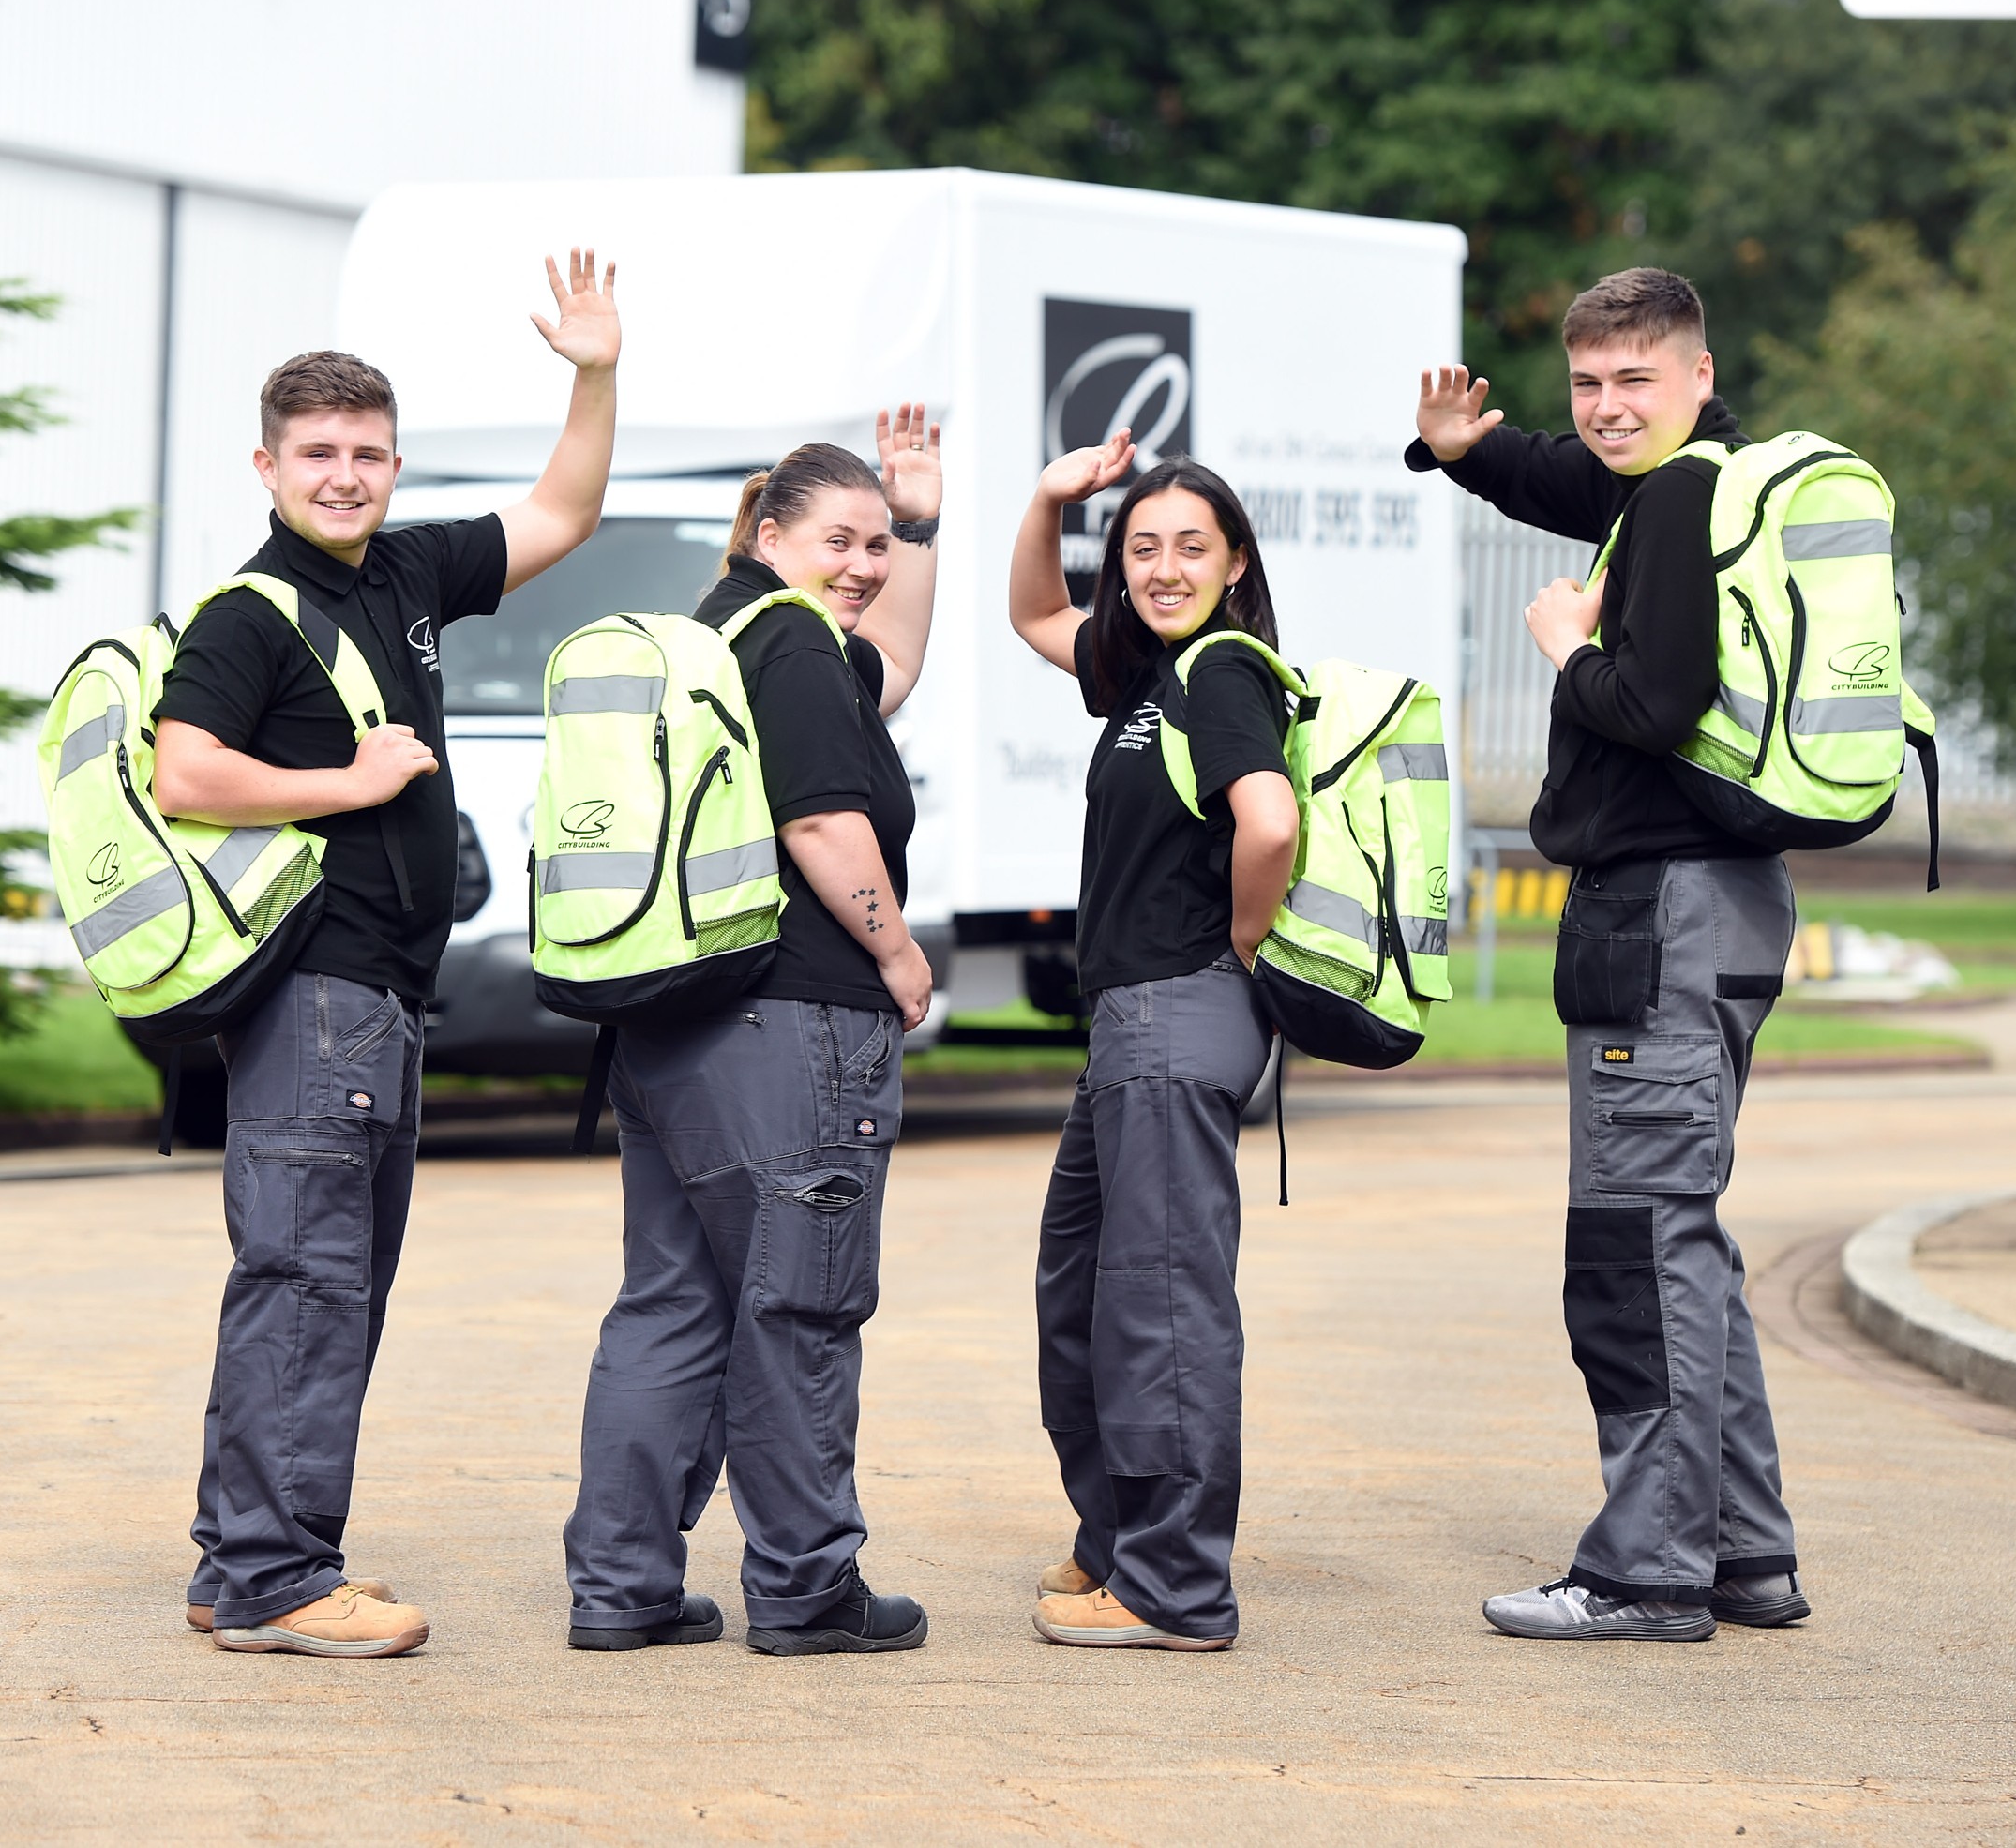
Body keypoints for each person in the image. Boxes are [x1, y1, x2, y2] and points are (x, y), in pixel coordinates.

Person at [152, 250, 624, 1658]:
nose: (344, 475)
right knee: (308, 1277)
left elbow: (564, 507)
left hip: (383, 1000)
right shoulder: (253, 613)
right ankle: (278, 1581)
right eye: (318, 454)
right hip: (316, 991)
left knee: (317, 1278)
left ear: (396, 462)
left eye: (366, 452)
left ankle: (235, 1554)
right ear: (266, 463)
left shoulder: (408, 568)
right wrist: (350, 785)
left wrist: (592, 369)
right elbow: (187, 769)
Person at [1409, 267, 1808, 1642]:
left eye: (1635, 378)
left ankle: (1648, 1568)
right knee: (1684, 1236)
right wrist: (1467, 456)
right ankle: (1743, 1551)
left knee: (1638, 1249)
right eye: (1587, 382)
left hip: (1667, 915)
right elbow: (1560, 481)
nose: (1604, 407)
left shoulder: (1685, 501)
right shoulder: (1681, 488)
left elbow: (1653, 699)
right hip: (1709, 904)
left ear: (1701, 375)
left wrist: (1567, 651)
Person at [563, 414, 943, 1657]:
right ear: (772, 533)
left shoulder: (723, 630)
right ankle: (805, 1584)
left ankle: (621, 1584)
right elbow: (827, 823)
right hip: (793, 1027)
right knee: (801, 1305)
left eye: (880, 543)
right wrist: (895, 950)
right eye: (846, 538)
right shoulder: (790, 643)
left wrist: (923, 527)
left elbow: (890, 665)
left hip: (671, 1025)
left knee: (671, 1301)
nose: (869, 563)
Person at [1004, 434, 1300, 1652]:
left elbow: (1268, 821)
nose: (1164, 566)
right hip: (1131, 1023)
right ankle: (1118, 1532)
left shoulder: (1223, 668)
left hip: (1180, 1009)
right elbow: (1033, 612)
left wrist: (1237, 942)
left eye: (1190, 545)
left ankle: (1176, 1585)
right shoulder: (1144, 676)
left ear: (1236, 563)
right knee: (1081, 1287)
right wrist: (1046, 500)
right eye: (1142, 549)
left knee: (1160, 1306)